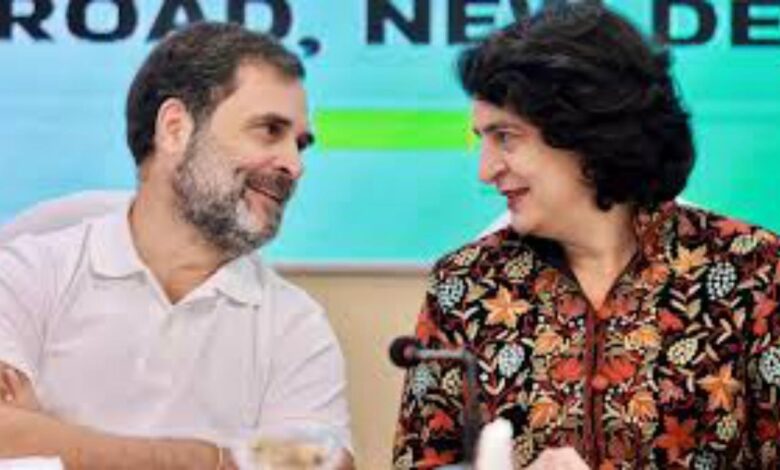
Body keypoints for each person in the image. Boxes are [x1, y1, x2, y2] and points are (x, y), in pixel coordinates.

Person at [393, 4, 780, 469]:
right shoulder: (464, 284)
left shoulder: (753, 270)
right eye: (482, 139)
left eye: (505, 137)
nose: (486, 170)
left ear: (586, 133)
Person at [0, 22, 352, 468]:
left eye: (300, 145)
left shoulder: (295, 324)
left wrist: (54, 439)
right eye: (269, 130)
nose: (294, 165)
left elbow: (321, 464)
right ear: (174, 129)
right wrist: (220, 459)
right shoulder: (28, 273)